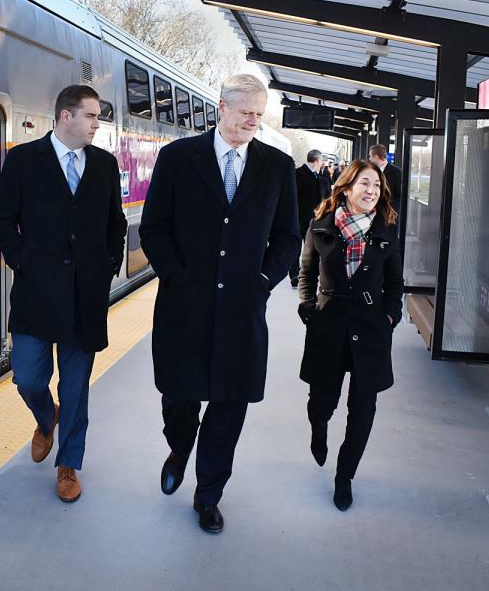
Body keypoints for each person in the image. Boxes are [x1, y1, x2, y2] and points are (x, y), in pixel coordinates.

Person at [140, 74, 300, 533]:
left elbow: (289, 235)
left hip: (242, 311)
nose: (253, 120)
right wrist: (176, 275)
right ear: (221, 107)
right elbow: (153, 227)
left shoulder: (276, 166)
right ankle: (179, 446)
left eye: (259, 113)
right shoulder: (177, 158)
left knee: (229, 407)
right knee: (179, 399)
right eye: (245, 111)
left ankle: (208, 495)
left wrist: (265, 280)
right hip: (184, 307)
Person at [0, 85, 127, 503]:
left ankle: (69, 464)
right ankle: (46, 418)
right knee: (28, 377)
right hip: (36, 292)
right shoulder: (24, 160)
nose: (96, 124)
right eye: (91, 116)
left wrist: (105, 268)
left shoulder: (104, 164)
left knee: (76, 387)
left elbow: (114, 223)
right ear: (65, 116)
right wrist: (24, 263)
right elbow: (2, 221)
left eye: (98, 118)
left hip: (85, 296)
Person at [297, 159, 404, 511]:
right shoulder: (321, 225)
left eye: (376, 186)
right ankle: (318, 427)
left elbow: (394, 282)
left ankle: (345, 478)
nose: (372, 191)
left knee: (362, 410)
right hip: (329, 324)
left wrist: (391, 315)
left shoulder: (387, 228)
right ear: (346, 188)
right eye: (365, 184)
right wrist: (307, 304)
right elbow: (307, 270)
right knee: (321, 402)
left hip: (371, 329)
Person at [290, 149, 332, 286]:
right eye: (321, 162)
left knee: (316, 248)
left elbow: (328, 199)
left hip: (318, 220)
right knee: (297, 247)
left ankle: (312, 273)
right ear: (317, 161)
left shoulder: (321, 179)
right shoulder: (296, 174)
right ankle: (295, 274)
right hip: (299, 218)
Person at [368, 145, 402, 216]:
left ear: (376, 156)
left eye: (370, 156)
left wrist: (391, 211)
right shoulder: (371, 171)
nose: (369, 159)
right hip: (372, 213)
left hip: (389, 215)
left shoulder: (397, 172)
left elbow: (400, 195)